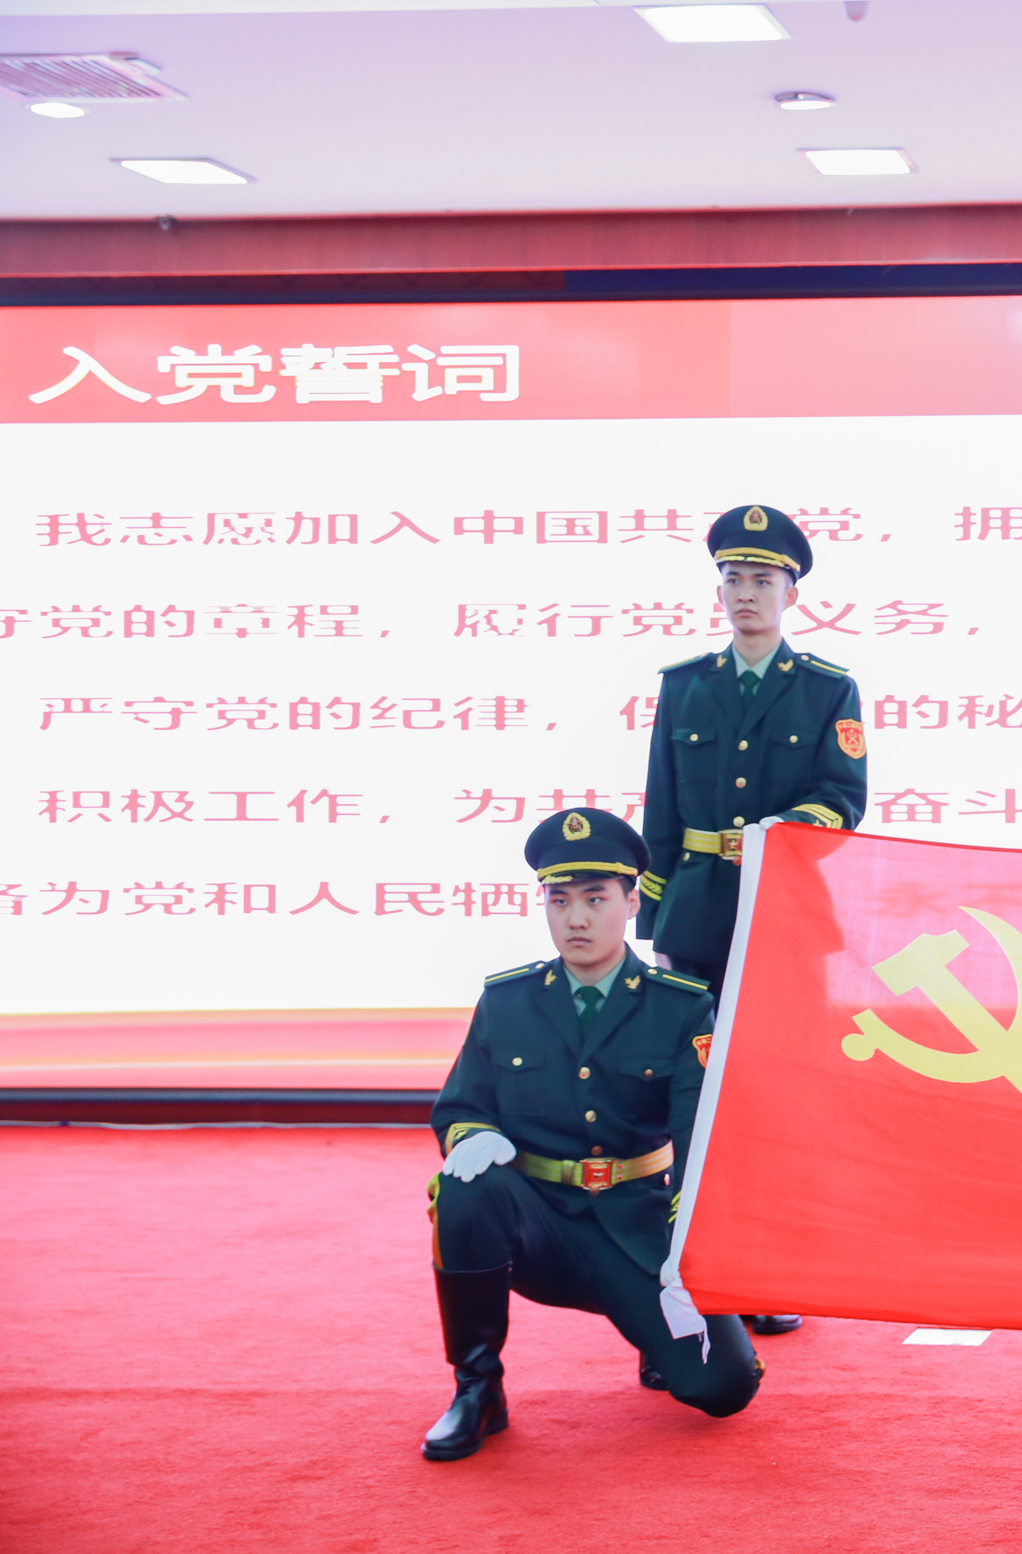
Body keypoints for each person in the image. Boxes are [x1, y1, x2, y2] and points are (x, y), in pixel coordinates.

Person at [422, 808, 762, 1462]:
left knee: (724, 1387)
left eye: (595, 899)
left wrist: (689, 1250)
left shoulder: (680, 1004)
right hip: (539, 1225)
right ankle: (477, 1387)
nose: (575, 918)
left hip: (637, 1229)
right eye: (560, 900)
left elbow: (699, 1135)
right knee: (464, 1186)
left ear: (632, 902)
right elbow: (462, 1105)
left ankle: (651, 1334)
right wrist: (473, 1136)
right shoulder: (508, 1001)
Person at [637, 503, 868, 1339]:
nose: (745, 593)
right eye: (733, 579)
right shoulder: (684, 685)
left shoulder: (828, 688)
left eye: (762, 580)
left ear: (791, 593)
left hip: (783, 915)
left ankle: (770, 1267)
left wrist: (779, 833)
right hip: (697, 917)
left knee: (775, 1089)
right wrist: (655, 911)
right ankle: (693, 1264)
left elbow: (843, 800)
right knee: (696, 1092)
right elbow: (662, 805)